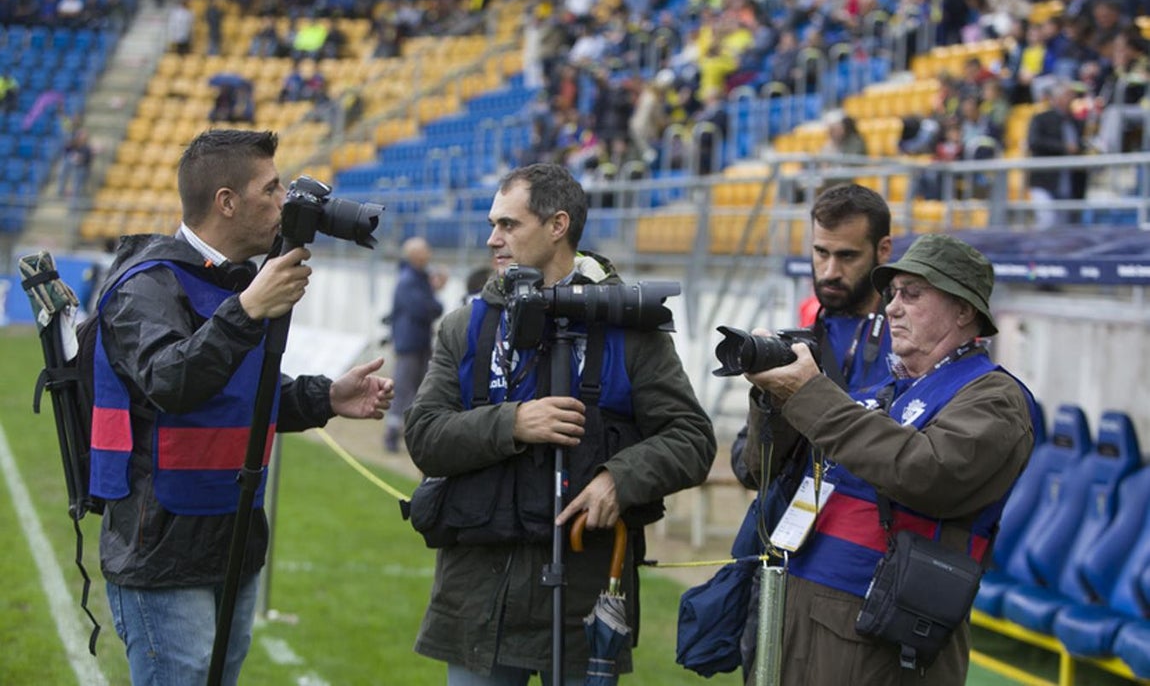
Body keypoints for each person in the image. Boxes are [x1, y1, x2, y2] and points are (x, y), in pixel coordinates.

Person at [92, 129, 396, 686]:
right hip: (161, 550)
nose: (285, 203)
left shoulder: (236, 282)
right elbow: (170, 380)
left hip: (234, 536)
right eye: (272, 189)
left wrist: (326, 396)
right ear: (226, 202)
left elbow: (239, 396)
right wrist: (248, 310)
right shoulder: (147, 285)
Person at [406, 162, 716, 684]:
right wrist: (512, 422)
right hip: (478, 600)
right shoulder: (467, 326)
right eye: (492, 224)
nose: (492, 240)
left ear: (557, 226)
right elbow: (424, 436)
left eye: (508, 225)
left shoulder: (629, 330)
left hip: (583, 602)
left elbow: (692, 438)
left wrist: (620, 477)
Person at [741, 233, 1037, 685]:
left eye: (912, 295)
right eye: (892, 294)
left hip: (882, 640)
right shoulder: (890, 392)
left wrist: (810, 393)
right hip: (811, 612)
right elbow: (757, 470)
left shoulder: (995, 397)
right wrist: (773, 398)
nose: (892, 307)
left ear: (964, 311)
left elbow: (926, 473)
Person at [731, 183, 894, 680]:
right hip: (785, 562)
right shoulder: (805, 332)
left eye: (847, 256)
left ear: (883, 252)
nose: (829, 271)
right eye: (820, 252)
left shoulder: (909, 339)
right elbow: (750, 467)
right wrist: (769, 398)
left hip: (864, 577)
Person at [384, 236, 446, 454]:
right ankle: (391, 435)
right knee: (403, 390)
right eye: (425, 251)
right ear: (415, 255)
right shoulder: (409, 279)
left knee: (417, 390)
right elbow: (424, 309)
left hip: (416, 341)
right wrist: (436, 300)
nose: (429, 254)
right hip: (409, 343)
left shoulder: (417, 277)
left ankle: (410, 434)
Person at [1026, 81, 1089, 228]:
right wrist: (1064, 147)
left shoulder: (1076, 122)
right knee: (1047, 221)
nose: (1072, 99)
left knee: (1065, 228)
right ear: (1057, 98)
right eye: (1068, 95)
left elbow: (1079, 145)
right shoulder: (1041, 118)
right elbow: (1034, 142)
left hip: (1069, 181)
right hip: (1045, 180)